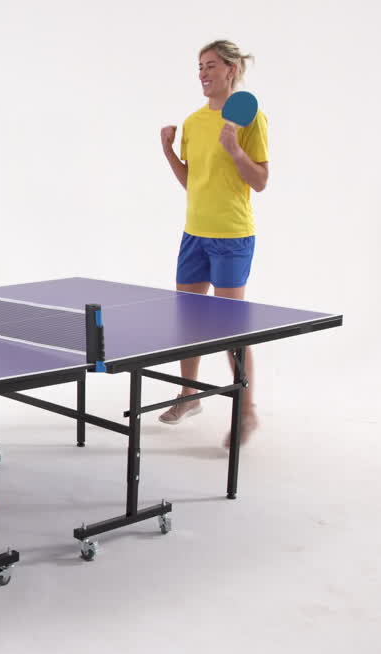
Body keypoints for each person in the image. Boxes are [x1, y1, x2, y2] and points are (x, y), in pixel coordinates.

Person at [158, 39, 269, 447]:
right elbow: (192, 183)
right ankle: (189, 395)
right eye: (199, 67)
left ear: (231, 70)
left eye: (210, 66)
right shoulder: (192, 122)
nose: (203, 73)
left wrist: (235, 149)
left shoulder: (251, 118)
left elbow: (259, 181)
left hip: (232, 236)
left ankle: (247, 411)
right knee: (189, 321)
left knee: (229, 327)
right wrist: (168, 151)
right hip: (194, 235)